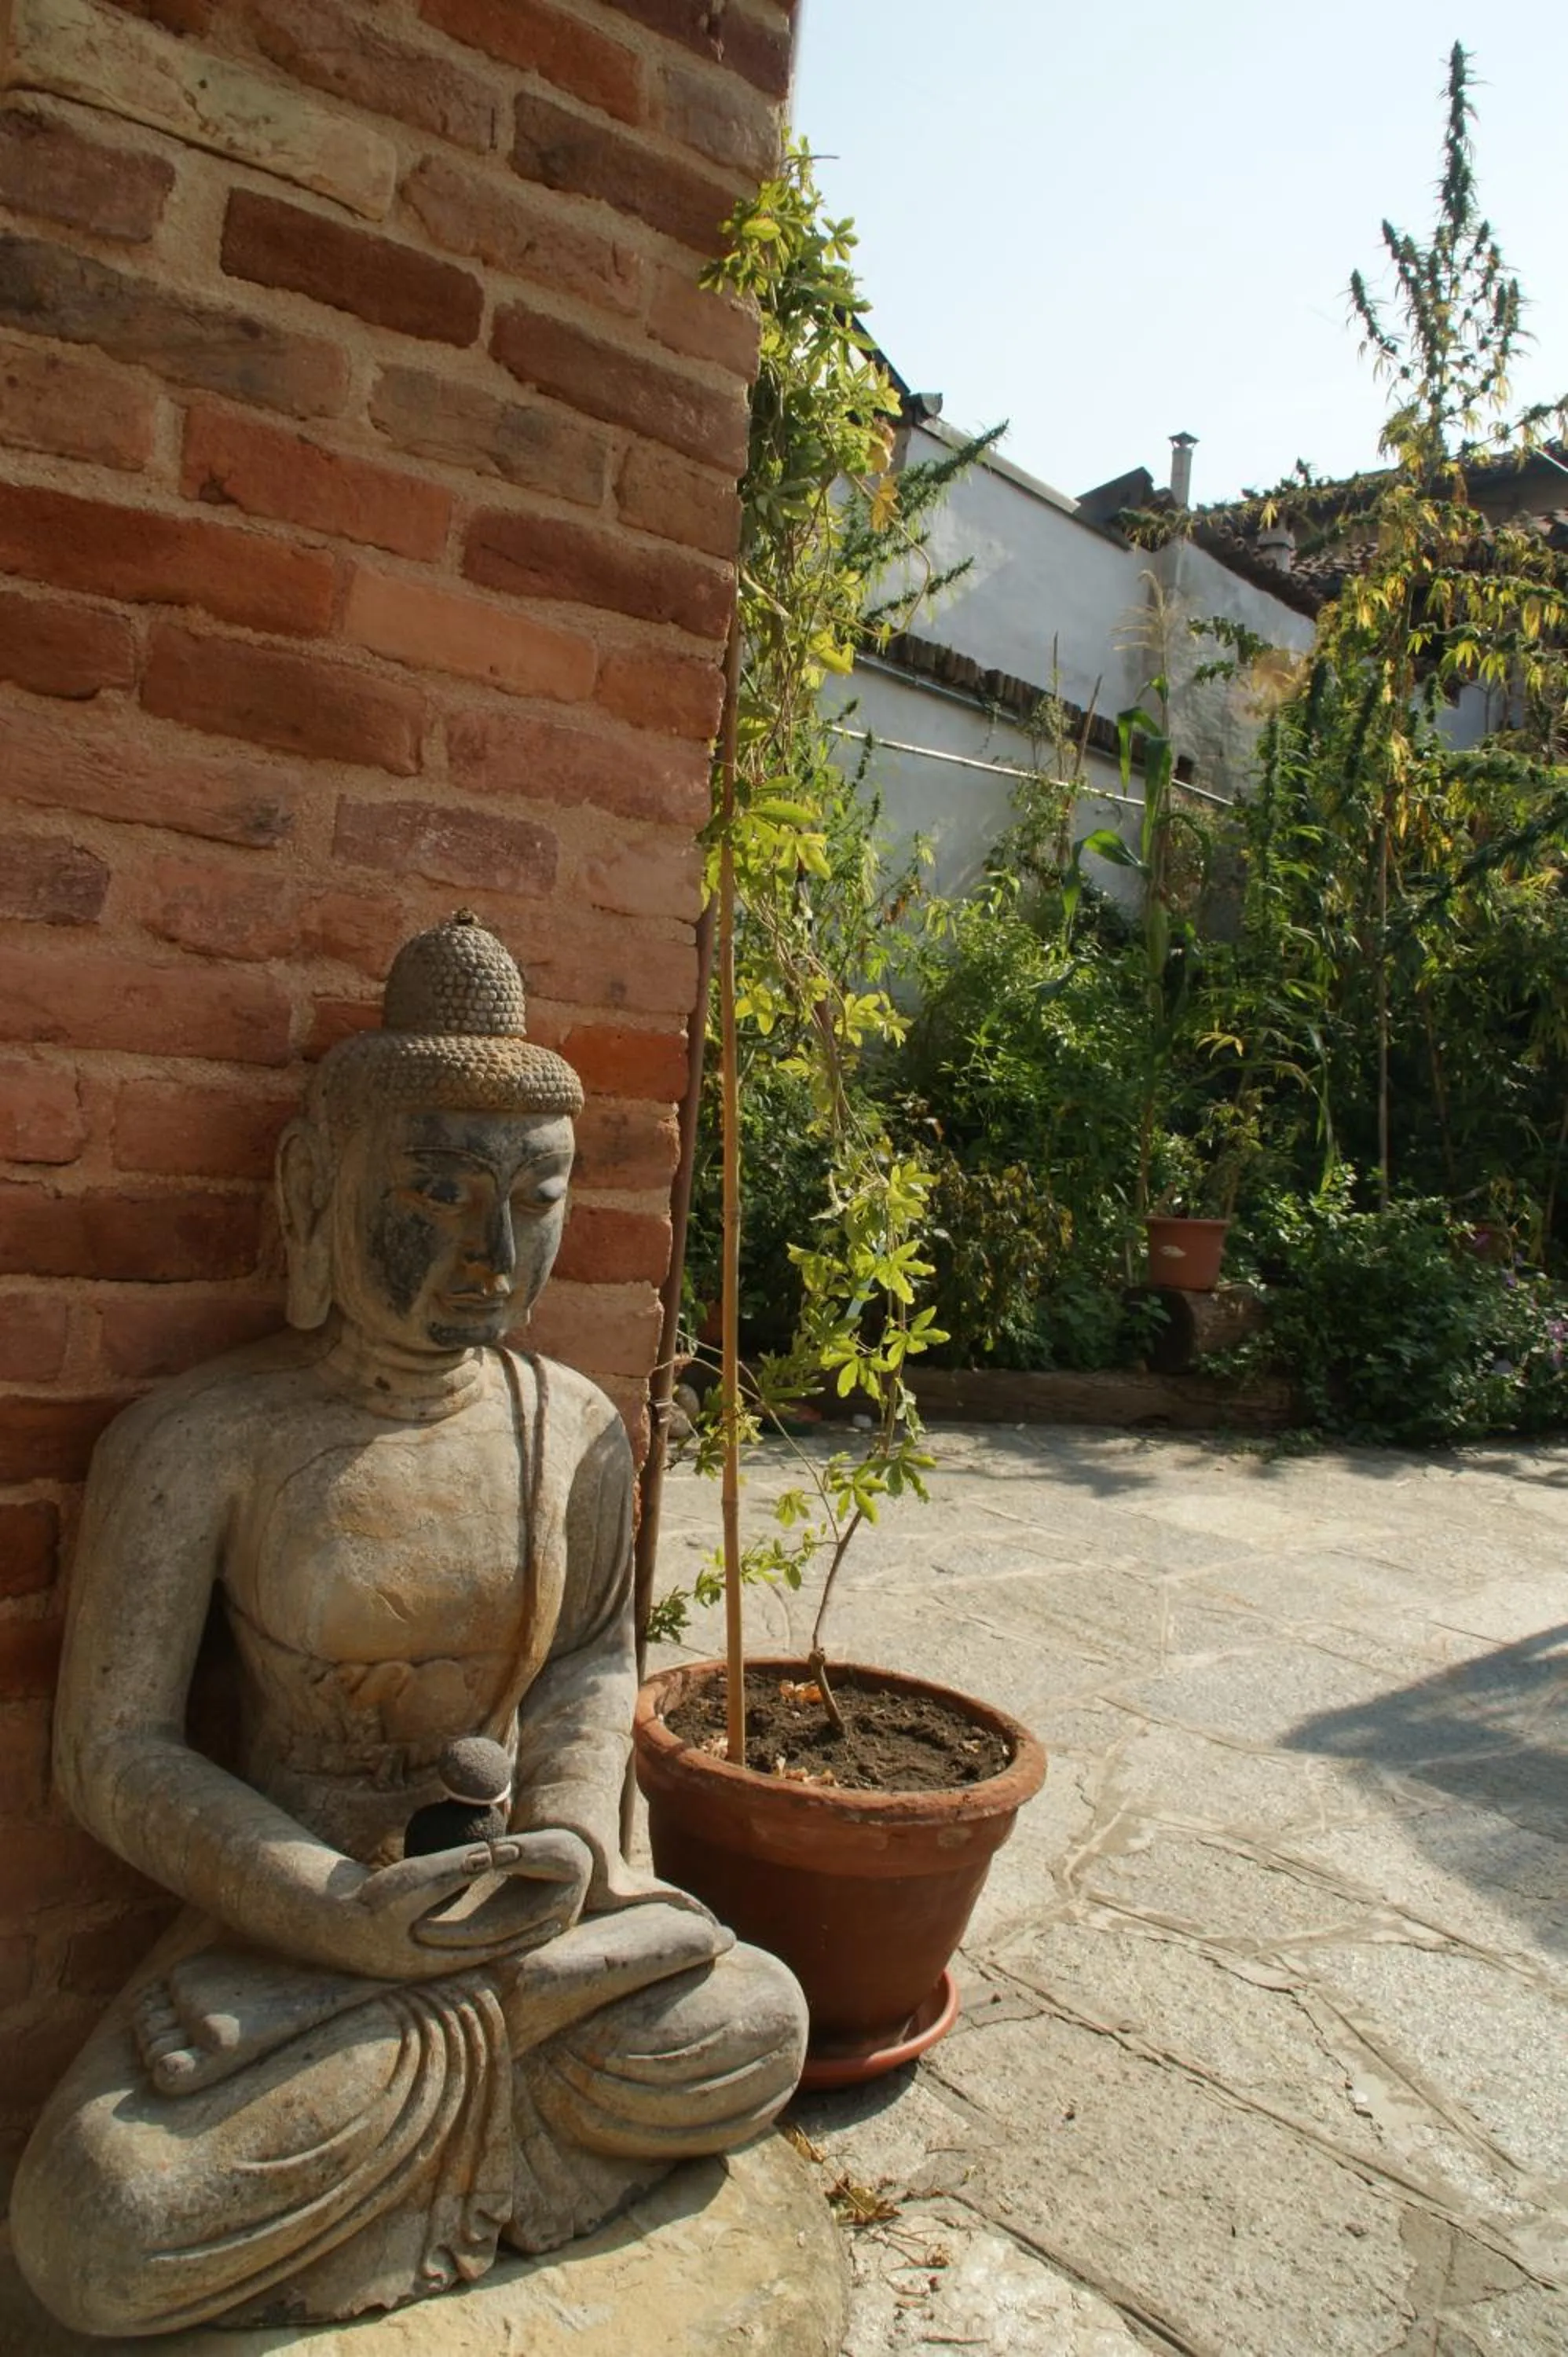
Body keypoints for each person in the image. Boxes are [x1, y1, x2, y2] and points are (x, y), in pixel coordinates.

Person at [11, 913, 807, 2337]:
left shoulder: (571, 1427)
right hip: (293, 1925)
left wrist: (569, 1840)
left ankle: (442, 2112)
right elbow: (113, 1753)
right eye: (436, 1190)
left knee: (757, 2023)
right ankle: (491, 2136)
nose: (491, 1249)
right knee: (100, 2224)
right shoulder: (206, 1439)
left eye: (535, 1196)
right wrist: (329, 1911)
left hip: (518, 1916)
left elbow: (586, 1656)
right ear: (319, 1186)